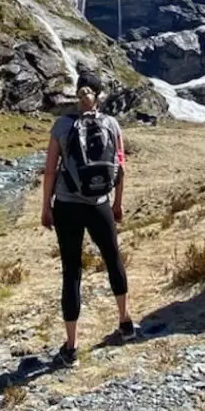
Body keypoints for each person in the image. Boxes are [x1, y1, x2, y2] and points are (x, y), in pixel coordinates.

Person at [42, 72, 133, 367]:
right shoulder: (112, 124)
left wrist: (46, 207)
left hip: (67, 206)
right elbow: (120, 168)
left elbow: (51, 171)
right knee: (112, 258)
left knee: (72, 270)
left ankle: (71, 347)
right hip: (100, 204)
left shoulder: (62, 125)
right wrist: (117, 203)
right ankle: (126, 323)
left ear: (78, 93)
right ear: (99, 93)